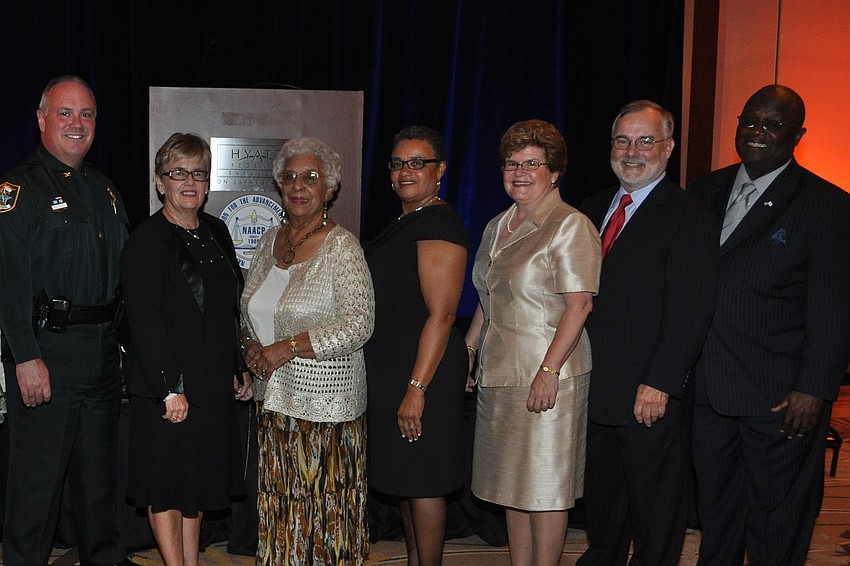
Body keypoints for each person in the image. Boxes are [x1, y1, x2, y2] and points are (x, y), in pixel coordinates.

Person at [687, 85, 850, 565]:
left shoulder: (827, 206)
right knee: (716, 515)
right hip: (707, 391)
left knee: (777, 520)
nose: (758, 132)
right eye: (750, 121)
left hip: (781, 398)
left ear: (797, 135)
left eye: (773, 125)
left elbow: (835, 308)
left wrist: (815, 388)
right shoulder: (703, 191)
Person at [576, 101, 718, 565]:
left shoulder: (688, 215)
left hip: (647, 393)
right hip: (593, 386)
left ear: (668, 148)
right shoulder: (591, 209)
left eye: (645, 140)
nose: (631, 151)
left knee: (656, 512)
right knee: (603, 504)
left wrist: (660, 382)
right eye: (622, 140)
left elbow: (691, 310)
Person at [0, 75, 132, 566]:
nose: (77, 124)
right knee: (37, 487)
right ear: (41, 120)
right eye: (65, 113)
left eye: (87, 114)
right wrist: (26, 356)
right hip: (48, 352)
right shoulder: (19, 189)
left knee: (99, 485)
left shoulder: (105, 188)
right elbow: (9, 284)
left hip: (100, 354)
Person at [464, 119, 600, 566]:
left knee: (545, 489)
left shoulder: (570, 226)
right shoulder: (496, 226)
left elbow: (578, 306)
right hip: (500, 373)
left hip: (548, 378)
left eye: (532, 164)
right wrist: (468, 353)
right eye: (511, 163)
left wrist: (548, 373)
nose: (520, 172)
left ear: (555, 171)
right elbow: (488, 297)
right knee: (511, 486)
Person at [120, 133, 253, 566]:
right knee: (166, 485)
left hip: (210, 381)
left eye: (197, 172)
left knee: (194, 482)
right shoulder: (147, 241)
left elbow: (226, 309)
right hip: (169, 386)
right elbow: (144, 323)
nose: (189, 182)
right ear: (161, 183)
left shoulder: (216, 231)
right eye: (178, 173)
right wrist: (168, 388)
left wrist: (238, 366)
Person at [240, 137, 374, 565]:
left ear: (330, 188)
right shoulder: (268, 242)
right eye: (291, 177)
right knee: (282, 514)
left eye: (311, 178)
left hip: (326, 411)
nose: (299, 186)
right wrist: (249, 346)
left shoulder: (342, 248)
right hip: (274, 405)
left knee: (325, 519)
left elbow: (359, 324)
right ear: (280, 185)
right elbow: (249, 310)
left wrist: (288, 347)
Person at [363, 125, 469, 566]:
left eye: (417, 163)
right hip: (395, 369)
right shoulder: (406, 222)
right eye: (398, 163)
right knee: (406, 480)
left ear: (439, 169)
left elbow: (442, 315)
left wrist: (416, 388)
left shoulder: (439, 223)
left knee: (423, 481)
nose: (406, 172)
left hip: (424, 370)